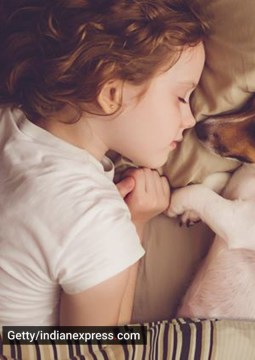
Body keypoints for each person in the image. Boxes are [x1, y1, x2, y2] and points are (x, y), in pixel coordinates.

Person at [0, 0, 207, 326]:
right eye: (181, 97)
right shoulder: (94, 219)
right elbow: (98, 348)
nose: (191, 119)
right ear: (110, 92)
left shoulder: (9, 119)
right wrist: (133, 225)